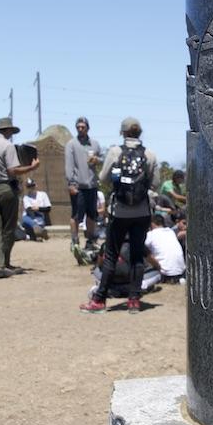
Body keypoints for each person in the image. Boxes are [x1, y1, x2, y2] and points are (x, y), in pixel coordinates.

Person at [79, 117, 160, 314]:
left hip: (120, 211)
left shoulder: (116, 151)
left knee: (111, 255)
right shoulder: (150, 154)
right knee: (137, 255)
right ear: (140, 132)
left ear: (122, 132)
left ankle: (99, 300)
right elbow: (156, 183)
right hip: (142, 211)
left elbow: (103, 178)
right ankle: (134, 300)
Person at [0, 116, 40, 279]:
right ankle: (4, 263)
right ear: (8, 130)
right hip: (6, 188)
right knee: (8, 227)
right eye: (11, 131)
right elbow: (13, 171)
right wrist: (31, 167)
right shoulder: (8, 146)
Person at [64, 116, 102, 258]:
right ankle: (74, 241)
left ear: (88, 128)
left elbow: (102, 159)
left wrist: (97, 160)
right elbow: (69, 165)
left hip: (91, 185)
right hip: (78, 186)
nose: (80, 129)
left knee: (92, 214)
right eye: (78, 127)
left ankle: (90, 240)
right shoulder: (71, 144)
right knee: (76, 215)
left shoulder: (95, 144)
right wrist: (71, 183)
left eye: (83, 127)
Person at [144, 214, 185, 282]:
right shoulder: (170, 232)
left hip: (165, 273)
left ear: (152, 224)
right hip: (181, 272)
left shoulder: (150, 235)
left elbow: (142, 249)